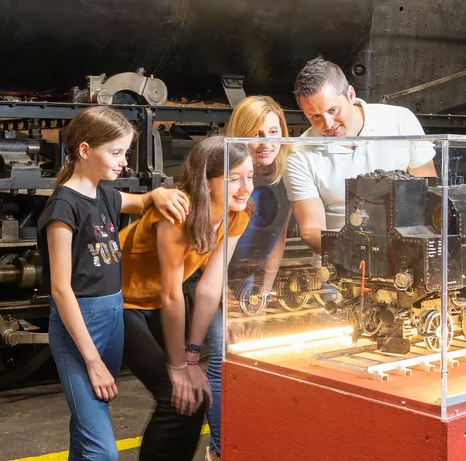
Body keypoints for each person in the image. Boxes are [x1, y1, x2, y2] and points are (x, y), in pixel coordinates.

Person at [40, 106, 191, 461]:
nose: (124, 162)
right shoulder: (63, 208)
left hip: (112, 317)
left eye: (124, 152)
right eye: (116, 152)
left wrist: (160, 194)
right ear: (84, 150)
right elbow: (61, 290)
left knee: (86, 430)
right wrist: (92, 362)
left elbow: (140, 201)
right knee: (102, 451)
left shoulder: (104, 194)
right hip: (80, 326)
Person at [117, 136, 253, 461]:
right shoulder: (178, 214)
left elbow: (208, 287)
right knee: (173, 394)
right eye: (233, 178)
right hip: (119, 302)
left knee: (195, 397)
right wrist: (178, 367)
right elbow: (172, 294)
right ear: (206, 183)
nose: (245, 187)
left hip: (156, 303)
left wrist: (192, 360)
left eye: (250, 176)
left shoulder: (237, 216)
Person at [203, 96, 292, 460]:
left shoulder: (284, 176)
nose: (267, 142)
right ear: (240, 137)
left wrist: (263, 299)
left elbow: (277, 238)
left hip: (247, 281)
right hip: (212, 279)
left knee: (254, 362)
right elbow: (211, 253)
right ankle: (222, 451)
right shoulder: (229, 178)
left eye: (274, 132)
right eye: (257, 134)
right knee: (220, 362)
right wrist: (230, 308)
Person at [283, 57, 436, 256]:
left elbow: (429, 196)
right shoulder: (299, 154)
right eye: (315, 117)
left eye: (333, 110)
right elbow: (311, 230)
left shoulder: (401, 121)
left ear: (350, 94)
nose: (328, 124)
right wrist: (358, 256)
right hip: (340, 262)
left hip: (405, 253)